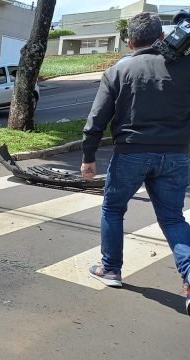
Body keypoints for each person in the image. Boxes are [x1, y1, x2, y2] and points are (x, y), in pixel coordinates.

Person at [80, 12, 190, 316]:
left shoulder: (118, 70)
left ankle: (110, 269)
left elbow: (96, 120)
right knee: (172, 218)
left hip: (131, 153)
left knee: (113, 209)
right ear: (162, 37)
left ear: (129, 41)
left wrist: (89, 157)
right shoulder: (186, 67)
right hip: (176, 155)